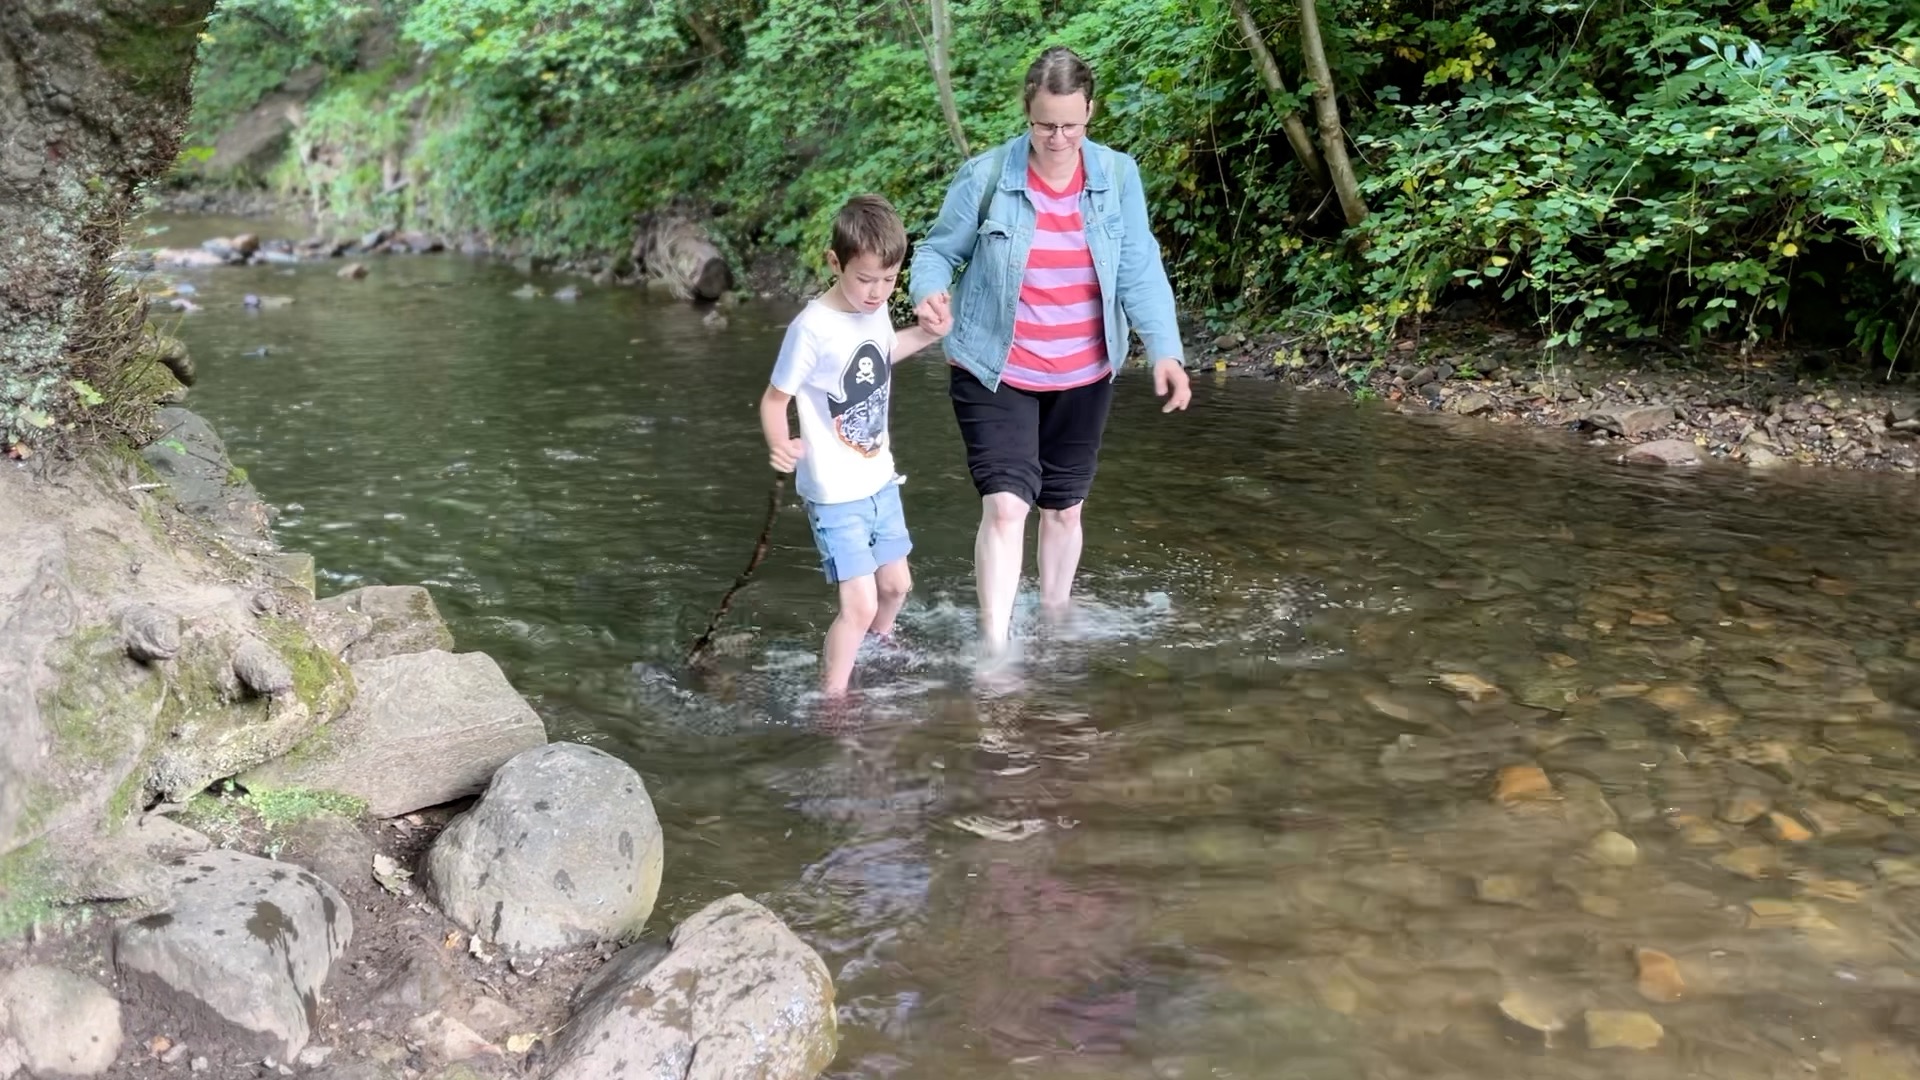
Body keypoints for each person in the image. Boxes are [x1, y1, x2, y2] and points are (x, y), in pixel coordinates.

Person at [911, 45, 1191, 655]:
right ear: (1026, 114)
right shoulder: (986, 177)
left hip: (1085, 370)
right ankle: (995, 647)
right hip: (994, 368)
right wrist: (929, 291)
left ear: (1090, 111)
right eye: (1044, 124)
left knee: (1063, 509)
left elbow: (1140, 266)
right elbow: (936, 251)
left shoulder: (1117, 177)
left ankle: (1056, 619)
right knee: (1008, 507)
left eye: (1071, 123)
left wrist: (1164, 348)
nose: (1058, 137)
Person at [761, 195, 952, 695]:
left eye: (888, 280)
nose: (876, 292)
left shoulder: (878, 310)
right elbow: (773, 400)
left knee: (896, 587)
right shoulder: (811, 329)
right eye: (865, 279)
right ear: (834, 262)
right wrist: (781, 444)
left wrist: (928, 336)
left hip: (878, 479)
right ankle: (834, 696)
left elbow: (885, 354)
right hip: (833, 489)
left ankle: (877, 645)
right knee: (860, 602)